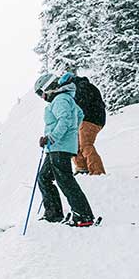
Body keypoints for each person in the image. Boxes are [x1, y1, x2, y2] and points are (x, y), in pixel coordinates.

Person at [33, 73, 95, 226]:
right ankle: (53, 214)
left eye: (41, 93)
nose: (42, 97)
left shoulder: (61, 100)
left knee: (65, 181)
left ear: (48, 88)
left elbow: (65, 121)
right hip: (57, 146)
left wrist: (52, 137)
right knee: (44, 178)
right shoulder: (65, 99)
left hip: (59, 147)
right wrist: (67, 134)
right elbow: (79, 114)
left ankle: (84, 216)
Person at [57, 72, 106, 175]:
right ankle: (82, 168)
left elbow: (81, 103)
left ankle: (97, 171)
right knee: (74, 144)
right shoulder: (80, 87)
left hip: (91, 118)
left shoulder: (82, 86)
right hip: (88, 118)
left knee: (85, 144)